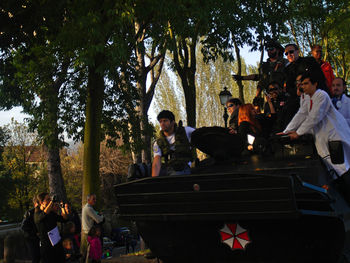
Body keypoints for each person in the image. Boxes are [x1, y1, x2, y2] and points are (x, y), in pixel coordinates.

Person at [281, 73, 350, 180]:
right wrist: (287, 131)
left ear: (315, 84)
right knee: (332, 171)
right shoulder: (307, 98)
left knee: (342, 170)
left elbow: (314, 117)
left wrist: (298, 133)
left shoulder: (322, 96)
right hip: (322, 140)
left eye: (306, 83)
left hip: (334, 138)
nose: (303, 86)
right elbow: (301, 114)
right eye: (302, 84)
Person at [283, 43, 328, 126]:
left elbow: (320, 78)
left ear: (297, 51)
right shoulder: (287, 70)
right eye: (286, 53)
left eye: (291, 52)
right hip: (297, 99)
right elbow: (289, 87)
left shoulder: (309, 61)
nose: (289, 55)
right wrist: (296, 92)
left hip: (314, 96)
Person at [152, 110, 195, 177]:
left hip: (185, 167)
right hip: (169, 168)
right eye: (160, 121)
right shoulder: (158, 143)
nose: (162, 123)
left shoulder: (186, 131)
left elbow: (201, 136)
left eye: (165, 121)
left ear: (172, 122)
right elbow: (156, 162)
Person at [34, 192, 69, 263]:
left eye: (50, 199)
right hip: (47, 247)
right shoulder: (37, 214)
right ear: (41, 202)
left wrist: (62, 208)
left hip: (57, 244)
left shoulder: (51, 213)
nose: (50, 201)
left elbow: (64, 219)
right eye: (48, 199)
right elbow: (43, 215)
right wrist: (52, 202)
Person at [81, 194, 104, 261]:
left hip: (88, 232)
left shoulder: (88, 208)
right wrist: (102, 217)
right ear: (88, 200)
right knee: (91, 253)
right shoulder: (89, 209)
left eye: (95, 199)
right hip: (90, 233)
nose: (95, 200)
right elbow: (98, 219)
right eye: (93, 199)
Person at [21, 195, 40, 263]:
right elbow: (24, 227)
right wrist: (35, 233)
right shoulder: (29, 213)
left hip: (39, 238)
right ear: (35, 203)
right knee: (35, 258)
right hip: (32, 240)